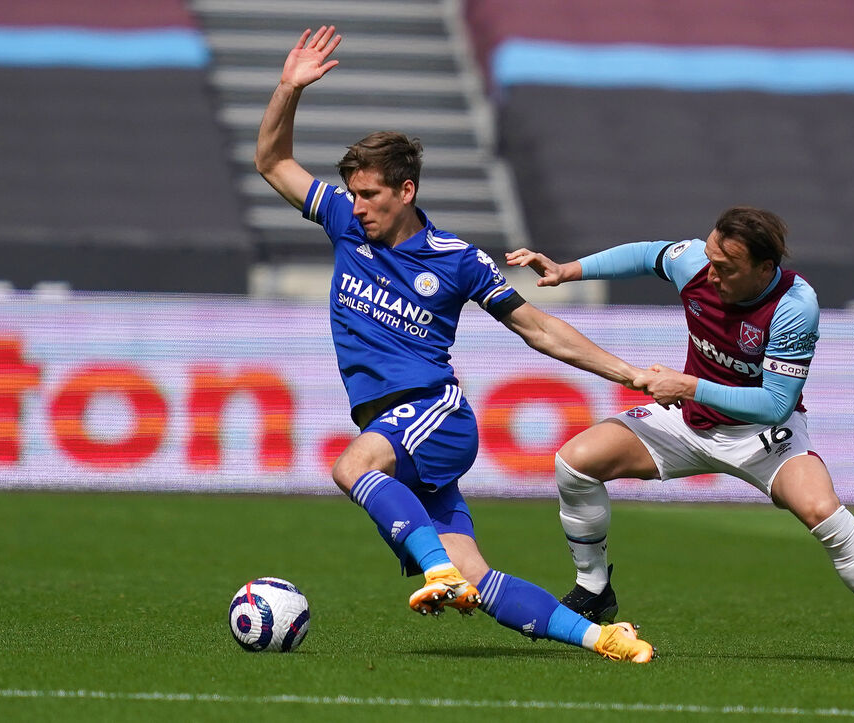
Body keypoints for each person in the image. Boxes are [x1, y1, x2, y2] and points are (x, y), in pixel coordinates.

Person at [253, 25, 655, 663]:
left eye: (370, 195)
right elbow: (272, 161)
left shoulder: (458, 260)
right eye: (352, 194)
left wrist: (626, 371)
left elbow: (537, 326)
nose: (356, 207)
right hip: (397, 424)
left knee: (351, 467)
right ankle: (603, 638)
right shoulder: (343, 225)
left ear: (406, 191)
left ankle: (437, 572)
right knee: (478, 577)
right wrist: (286, 89)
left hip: (431, 412)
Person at [506, 207, 854, 669]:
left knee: (822, 511)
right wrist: (569, 270)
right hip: (687, 422)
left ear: (764, 269)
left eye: (726, 268)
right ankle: (593, 589)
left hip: (763, 436)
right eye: (710, 259)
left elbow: (775, 405)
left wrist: (687, 385)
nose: (710, 274)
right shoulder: (695, 264)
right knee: (575, 460)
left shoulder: (793, 305)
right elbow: (649, 255)